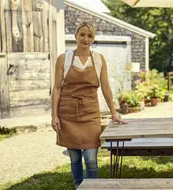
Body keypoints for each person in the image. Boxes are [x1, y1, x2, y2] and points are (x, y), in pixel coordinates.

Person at [51, 22, 127, 188]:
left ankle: (93, 187)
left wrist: (114, 113)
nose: (86, 38)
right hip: (68, 113)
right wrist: (54, 115)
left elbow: (106, 87)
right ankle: (79, 185)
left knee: (91, 158)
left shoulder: (99, 59)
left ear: (93, 39)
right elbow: (56, 88)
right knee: (75, 158)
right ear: (76, 36)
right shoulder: (64, 58)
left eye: (90, 35)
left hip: (91, 113)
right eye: (82, 35)